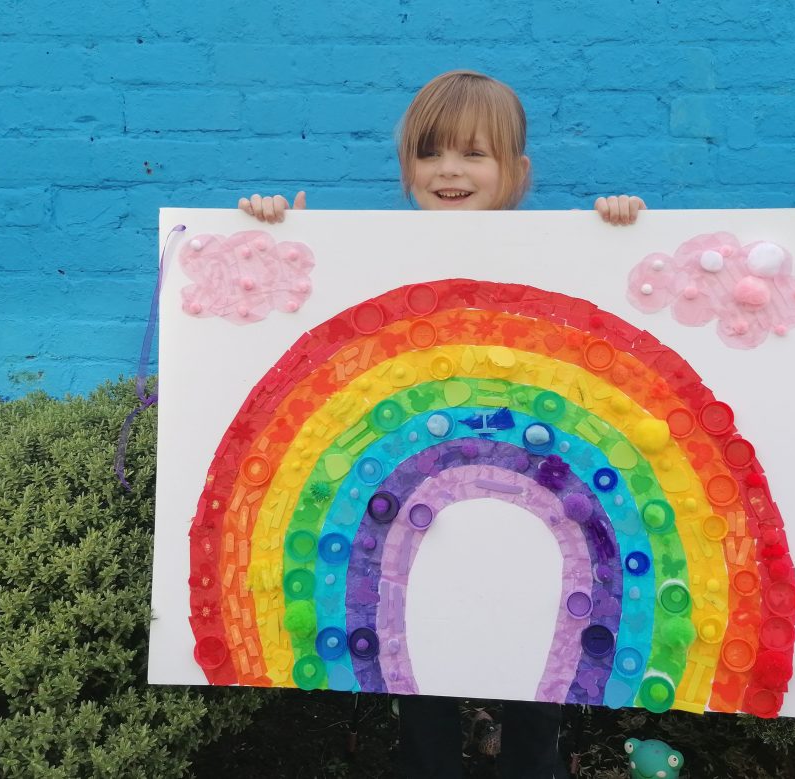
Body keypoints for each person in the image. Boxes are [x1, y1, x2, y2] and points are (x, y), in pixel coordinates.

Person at [240, 69, 646, 779]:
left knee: (535, 665)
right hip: (414, 500)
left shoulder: (556, 258)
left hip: (536, 493)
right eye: (430, 154)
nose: (450, 170)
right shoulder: (372, 265)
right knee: (412, 652)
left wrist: (618, 229)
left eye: (474, 153)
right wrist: (281, 232)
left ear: (516, 173)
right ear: (406, 169)